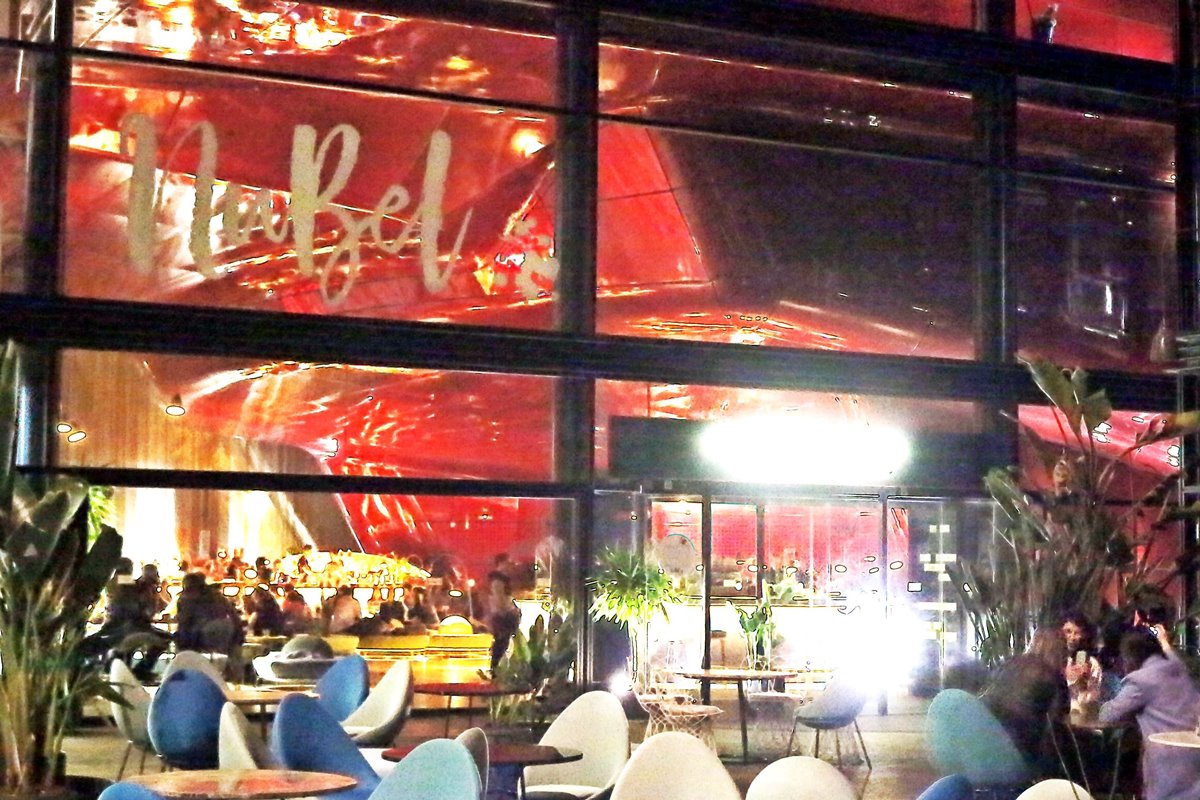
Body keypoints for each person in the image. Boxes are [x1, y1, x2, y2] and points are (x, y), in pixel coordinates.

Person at [1099, 626, 1200, 800]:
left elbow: (1107, 715)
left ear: (1129, 658)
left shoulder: (1141, 680)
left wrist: (1093, 695)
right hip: (1194, 757)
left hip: (1169, 764)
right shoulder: (1178, 666)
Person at [981, 626, 1070, 768]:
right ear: (1061, 651)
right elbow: (1060, 720)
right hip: (1026, 755)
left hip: (989, 745)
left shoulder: (1007, 664)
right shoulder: (1054, 677)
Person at [1061, 612, 1103, 713]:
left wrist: (1081, 682)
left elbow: (1091, 696)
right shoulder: (1054, 657)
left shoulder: (1086, 660)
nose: (1072, 637)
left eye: (1077, 633)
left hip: (1080, 713)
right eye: (1068, 631)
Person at [485, 573, 521, 670]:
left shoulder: (509, 604)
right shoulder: (493, 601)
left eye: (498, 587)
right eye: (493, 587)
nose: (495, 589)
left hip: (507, 634)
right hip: (500, 635)